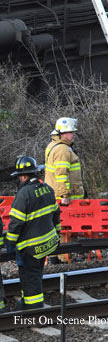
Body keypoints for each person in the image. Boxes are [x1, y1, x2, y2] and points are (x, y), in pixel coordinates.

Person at [6, 156, 60, 310]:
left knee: (30, 275)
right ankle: (27, 299)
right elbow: (57, 215)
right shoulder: (48, 189)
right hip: (48, 243)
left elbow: (16, 223)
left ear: (23, 176)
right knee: (36, 272)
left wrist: (10, 242)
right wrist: (57, 236)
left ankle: (33, 306)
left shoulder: (23, 195)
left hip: (31, 247)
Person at [44, 117, 84, 263]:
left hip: (53, 193)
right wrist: (65, 195)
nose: (72, 134)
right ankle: (65, 257)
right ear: (62, 133)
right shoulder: (62, 149)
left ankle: (56, 257)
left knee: (57, 226)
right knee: (67, 226)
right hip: (63, 195)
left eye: (72, 132)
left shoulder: (53, 145)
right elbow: (61, 174)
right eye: (69, 132)